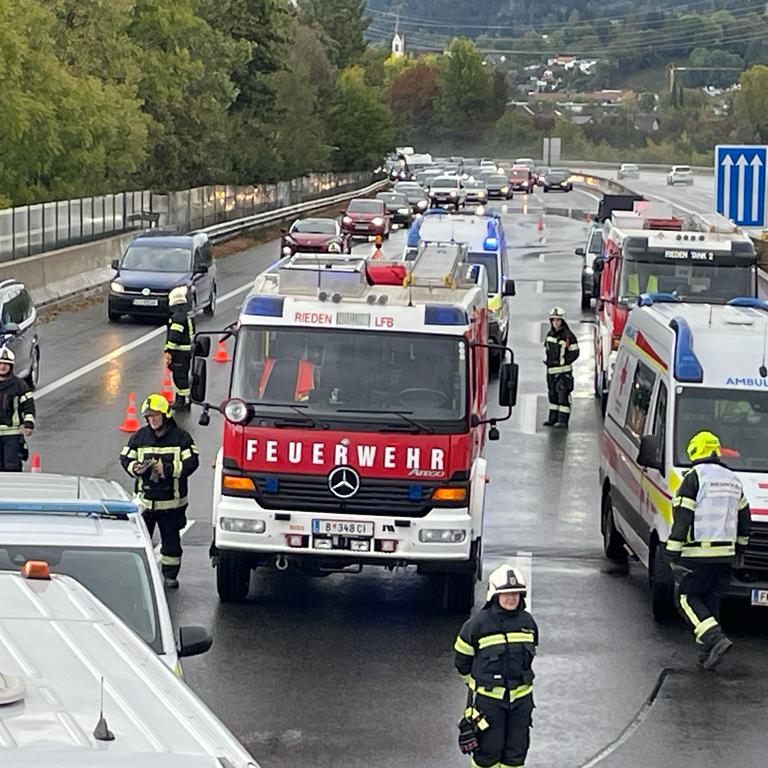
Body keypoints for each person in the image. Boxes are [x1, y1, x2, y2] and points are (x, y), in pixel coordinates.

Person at [666, 431, 751, 670]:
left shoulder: (694, 477)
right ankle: (707, 652)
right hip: (724, 554)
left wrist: (672, 552)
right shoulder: (733, 479)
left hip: (697, 553)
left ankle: (714, 638)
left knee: (685, 598)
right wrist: (740, 550)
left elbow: (683, 518)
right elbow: (745, 519)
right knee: (710, 600)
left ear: (695, 451)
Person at [454, 565, 538, 768]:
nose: (512, 598)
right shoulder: (477, 625)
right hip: (489, 703)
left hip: (521, 702)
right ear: (494, 595)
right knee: (487, 753)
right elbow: (462, 661)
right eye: (506, 593)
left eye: (516, 593)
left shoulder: (528, 622)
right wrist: (475, 686)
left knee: (516, 754)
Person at [120, 394, 199, 588]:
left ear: (165, 415)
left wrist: (167, 469)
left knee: (171, 543)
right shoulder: (140, 436)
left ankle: (170, 575)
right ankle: (140, 576)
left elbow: (192, 462)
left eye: (155, 415)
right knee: (140, 541)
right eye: (148, 416)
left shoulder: (181, 438)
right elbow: (125, 457)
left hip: (171, 504)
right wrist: (136, 468)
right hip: (145, 503)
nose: (152, 420)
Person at [543, 306, 579, 429]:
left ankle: (563, 421)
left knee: (563, 397)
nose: (555, 323)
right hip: (551, 372)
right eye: (553, 320)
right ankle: (552, 419)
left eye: (558, 320)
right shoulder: (549, 335)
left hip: (564, 373)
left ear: (562, 321)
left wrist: (564, 361)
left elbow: (575, 352)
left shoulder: (568, 336)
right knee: (552, 396)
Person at [0, 348, 35, 471]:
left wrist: (29, 424)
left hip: (12, 435)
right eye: (0, 363)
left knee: (12, 468)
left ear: (11, 366)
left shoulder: (19, 385)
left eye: (6, 364)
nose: (3, 366)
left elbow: (28, 406)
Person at [164, 286, 195, 410]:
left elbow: (174, 337)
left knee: (180, 377)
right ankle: (182, 400)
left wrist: (168, 350)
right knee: (182, 376)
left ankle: (183, 401)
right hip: (186, 352)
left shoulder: (177, 318)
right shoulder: (186, 315)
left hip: (179, 353)